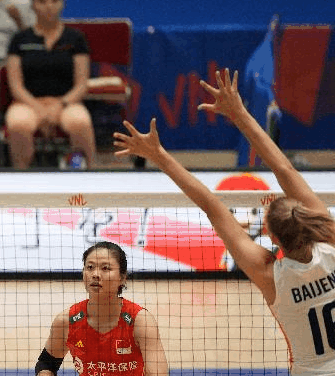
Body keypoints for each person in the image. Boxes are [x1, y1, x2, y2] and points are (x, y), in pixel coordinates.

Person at [114, 68, 335, 375]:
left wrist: (159, 155)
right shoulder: (331, 240)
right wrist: (240, 113)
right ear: (309, 218)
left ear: (271, 237)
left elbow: (212, 206)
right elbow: (286, 170)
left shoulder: (271, 275)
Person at [36, 241, 169, 376]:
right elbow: (46, 364)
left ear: (122, 278)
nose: (95, 274)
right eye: (90, 267)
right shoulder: (66, 321)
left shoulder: (141, 322)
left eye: (105, 268)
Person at [5, 0, 97, 169]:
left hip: (67, 103)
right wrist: (38, 108)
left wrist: (59, 105)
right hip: (27, 103)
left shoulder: (75, 39)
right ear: (33, 6)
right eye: (42, 1)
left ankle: (87, 172)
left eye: (54, 0)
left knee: (79, 121)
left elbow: (81, 84)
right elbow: (16, 86)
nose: (49, 6)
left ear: (62, 4)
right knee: (18, 123)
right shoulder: (20, 40)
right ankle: (21, 174)